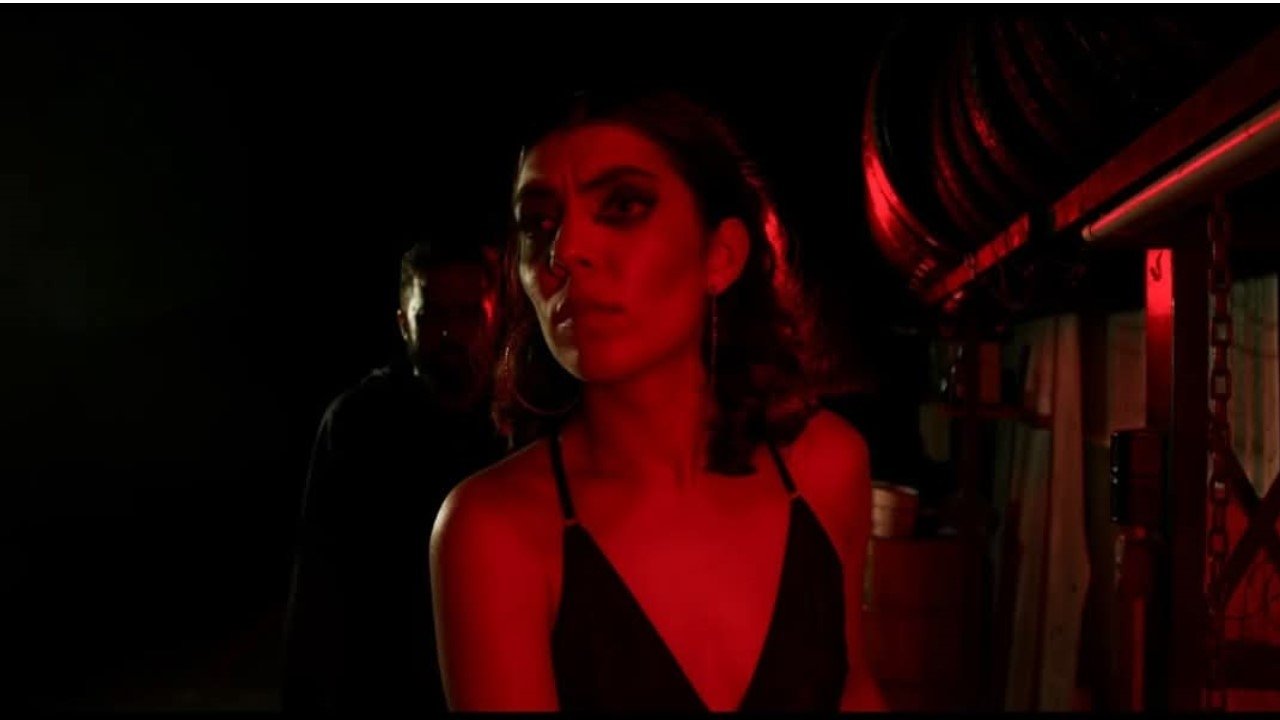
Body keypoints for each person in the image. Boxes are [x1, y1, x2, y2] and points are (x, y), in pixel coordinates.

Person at [430, 90, 887, 712]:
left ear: (721, 255)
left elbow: (853, 687)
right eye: (539, 224)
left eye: (623, 205)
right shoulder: (494, 530)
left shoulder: (827, 467)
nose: (566, 251)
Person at [283, 240, 507, 713]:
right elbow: (319, 589)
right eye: (432, 315)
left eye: (469, 313)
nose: (451, 332)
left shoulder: (522, 421)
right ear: (404, 323)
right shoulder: (359, 423)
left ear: (495, 317)